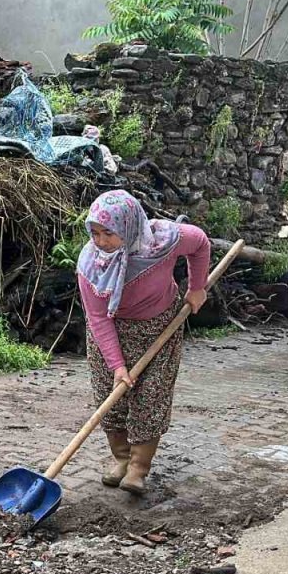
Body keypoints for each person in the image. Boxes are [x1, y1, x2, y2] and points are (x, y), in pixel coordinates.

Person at [76, 190, 210, 496]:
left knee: (150, 399)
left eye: (108, 233)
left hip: (159, 328)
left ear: (128, 227)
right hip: (109, 336)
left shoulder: (162, 241)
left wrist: (197, 287)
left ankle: (138, 468)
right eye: (94, 233)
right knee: (110, 400)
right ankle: (122, 460)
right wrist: (118, 365)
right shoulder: (90, 266)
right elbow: (98, 319)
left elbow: (200, 242)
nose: (100, 241)